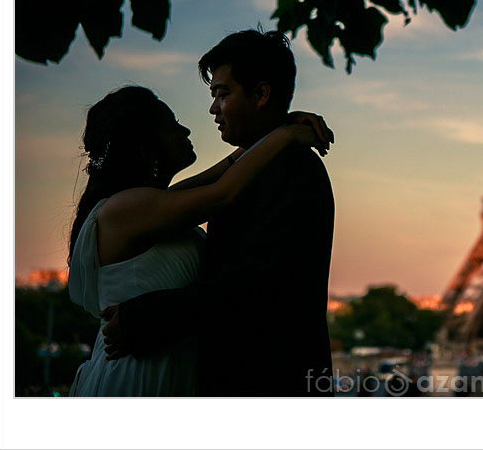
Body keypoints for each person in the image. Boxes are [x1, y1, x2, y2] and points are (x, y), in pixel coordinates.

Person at [101, 30, 337, 397]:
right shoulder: (266, 165)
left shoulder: (289, 168)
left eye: (221, 94)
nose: (212, 109)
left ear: (261, 94)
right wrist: (282, 130)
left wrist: (142, 319)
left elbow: (255, 284)